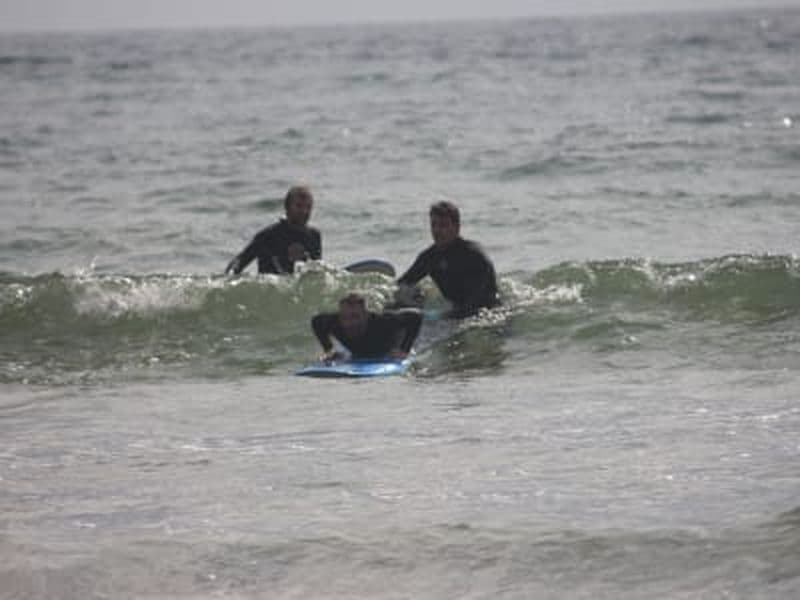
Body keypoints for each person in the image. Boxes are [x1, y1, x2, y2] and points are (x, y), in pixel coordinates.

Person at [396, 201, 500, 319]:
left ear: (457, 228)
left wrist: (437, 317)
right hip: (457, 312)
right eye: (433, 225)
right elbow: (403, 284)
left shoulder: (475, 257)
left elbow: (474, 304)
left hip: (488, 315)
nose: (437, 230)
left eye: (443, 225)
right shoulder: (430, 257)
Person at [225, 185, 321, 275]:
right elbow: (240, 261)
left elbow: (317, 272)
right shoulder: (268, 236)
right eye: (299, 206)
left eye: (308, 207)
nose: (304, 211)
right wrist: (229, 277)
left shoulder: (313, 236)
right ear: (287, 207)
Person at [311, 293, 423, 361]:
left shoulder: (382, 322)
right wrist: (329, 350)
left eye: (355, 316)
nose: (350, 323)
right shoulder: (334, 322)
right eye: (344, 317)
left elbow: (416, 316)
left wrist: (404, 350)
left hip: (394, 339)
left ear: (366, 315)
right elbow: (317, 321)